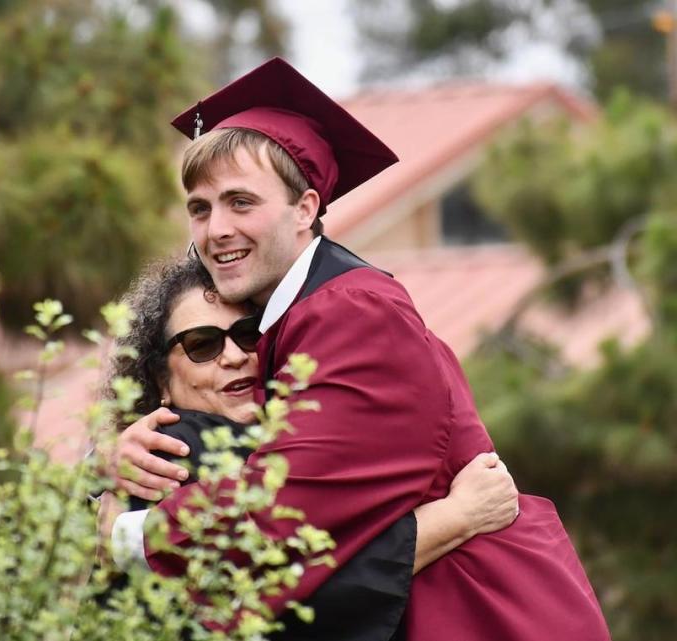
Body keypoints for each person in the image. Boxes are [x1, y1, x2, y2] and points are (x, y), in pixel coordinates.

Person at [105, 58, 611, 640]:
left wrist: (127, 534)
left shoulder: (352, 313)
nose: (216, 228)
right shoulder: (305, 315)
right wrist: (111, 466)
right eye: (201, 207)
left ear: (307, 208)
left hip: (483, 615)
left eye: (241, 202)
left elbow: (291, 504)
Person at [100, 255, 518, 639]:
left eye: (249, 335)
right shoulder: (173, 452)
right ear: (159, 382)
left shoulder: (285, 446)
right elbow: (285, 600)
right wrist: (453, 519)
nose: (233, 356)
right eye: (202, 345)